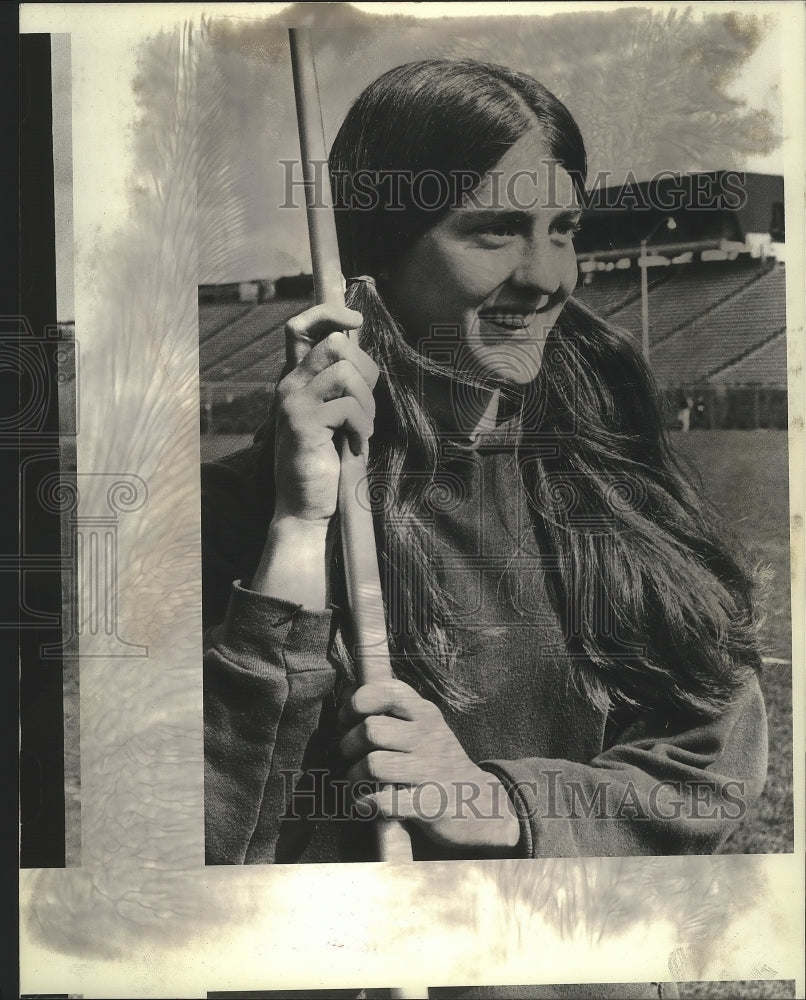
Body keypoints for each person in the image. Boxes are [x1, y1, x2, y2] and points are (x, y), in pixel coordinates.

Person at [202, 59, 767, 867]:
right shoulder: (240, 510)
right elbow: (212, 841)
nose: (546, 278)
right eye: (493, 231)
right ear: (379, 253)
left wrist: (502, 802)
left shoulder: (618, 472)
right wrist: (297, 530)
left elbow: (710, 766)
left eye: (563, 230)